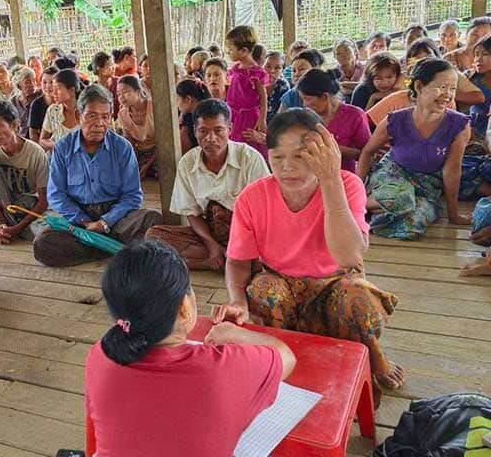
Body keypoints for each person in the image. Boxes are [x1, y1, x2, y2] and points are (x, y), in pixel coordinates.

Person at [219, 109, 405, 393]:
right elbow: (237, 261)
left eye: (301, 156)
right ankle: (287, 355)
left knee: (357, 298)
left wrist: (329, 179)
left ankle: (372, 354)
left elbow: (349, 256)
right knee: (261, 291)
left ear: (323, 154)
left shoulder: (347, 184)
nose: (287, 168)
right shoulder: (253, 196)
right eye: (278, 158)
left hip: (335, 280)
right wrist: (237, 301)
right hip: (282, 283)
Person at [85, 240, 295, 457]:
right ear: (184, 308)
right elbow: (286, 357)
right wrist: (235, 334)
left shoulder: (100, 355)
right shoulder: (222, 369)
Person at [33, 85, 162, 267]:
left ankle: (101, 246)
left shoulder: (122, 147)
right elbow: (56, 194)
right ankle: (116, 250)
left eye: (105, 117)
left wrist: (104, 222)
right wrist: (84, 222)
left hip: (116, 220)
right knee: (42, 243)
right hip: (79, 220)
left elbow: (132, 196)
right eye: (92, 115)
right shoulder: (62, 148)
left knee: (152, 221)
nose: (99, 123)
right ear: (78, 116)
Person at [146, 99, 268, 271]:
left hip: (248, 235)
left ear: (230, 130)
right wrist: (211, 244)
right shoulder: (187, 163)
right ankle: (219, 259)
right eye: (203, 131)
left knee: (270, 248)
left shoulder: (249, 158)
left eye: (218, 131)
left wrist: (243, 242)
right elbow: (192, 213)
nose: (211, 138)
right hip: (211, 236)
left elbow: (265, 213)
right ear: (195, 132)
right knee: (154, 236)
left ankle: (228, 259)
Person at [358, 58, 471, 240]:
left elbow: (451, 170)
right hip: (393, 174)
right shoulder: (395, 120)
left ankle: (377, 212)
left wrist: (453, 214)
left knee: (413, 226)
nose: (448, 95)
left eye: (452, 88)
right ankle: (357, 205)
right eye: (442, 87)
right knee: (401, 197)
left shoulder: (459, 125)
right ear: (418, 86)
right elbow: (367, 152)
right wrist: (358, 190)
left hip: (427, 186)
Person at [0, 100, 48, 244]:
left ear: (15, 125)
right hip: (0, 210)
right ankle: (1, 227)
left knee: (46, 236)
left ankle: (7, 230)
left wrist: (17, 229)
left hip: (28, 209)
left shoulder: (35, 152)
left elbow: (43, 201)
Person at [366, 39, 483, 127]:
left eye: (428, 58)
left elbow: (478, 98)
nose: (424, 63)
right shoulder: (400, 95)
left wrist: (442, 93)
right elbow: (364, 122)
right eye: (417, 59)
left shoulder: (451, 79)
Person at [297, 69, 371, 172]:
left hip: (345, 176)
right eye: (303, 99)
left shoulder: (355, 116)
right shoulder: (306, 117)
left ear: (324, 97)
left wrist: (332, 148)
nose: (304, 104)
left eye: (307, 99)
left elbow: (368, 154)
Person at [224, 26, 269, 157]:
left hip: (248, 116)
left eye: (231, 49)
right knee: (233, 145)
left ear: (244, 51)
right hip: (233, 114)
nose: (228, 52)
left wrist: (262, 119)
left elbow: (263, 97)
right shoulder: (236, 69)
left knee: (248, 145)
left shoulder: (256, 72)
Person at [116, 75, 157, 179]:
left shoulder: (154, 107)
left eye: (125, 92)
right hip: (141, 153)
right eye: (119, 94)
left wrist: (146, 167)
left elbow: (164, 143)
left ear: (138, 92)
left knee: (164, 170)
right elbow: (131, 144)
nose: (121, 97)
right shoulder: (123, 114)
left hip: (158, 152)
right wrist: (134, 165)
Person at [40, 68, 81, 152]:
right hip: (58, 160)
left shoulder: (86, 112)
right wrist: (57, 146)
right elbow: (42, 140)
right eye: (53, 88)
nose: (53, 93)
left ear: (71, 90)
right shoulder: (53, 111)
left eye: (58, 89)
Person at [176, 78, 211, 154]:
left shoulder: (195, 121)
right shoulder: (189, 116)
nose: (177, 104)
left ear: (188, 99)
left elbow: (182, 149)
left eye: (177, 99)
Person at [468, 34, 491, 139]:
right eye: (476, 54)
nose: (478, 59)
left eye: (485, 54)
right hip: (472, 133)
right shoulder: (470, 79)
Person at [11, 66, 42, 138]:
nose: (32, 84)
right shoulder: (13, 102)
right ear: (19, 85)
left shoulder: (40, 96)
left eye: (33, 81)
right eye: (27, 82)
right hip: (22, 138)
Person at [29, 66, 57, 143]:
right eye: (44, 82)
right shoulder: (36, 104)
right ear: (40, 83)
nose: (48, 86)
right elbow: (33, 132)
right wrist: (41, 149)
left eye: (51, 82)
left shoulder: (63, 102)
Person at [90, 51, 119, 117]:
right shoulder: (92, 90)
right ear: (99, 68)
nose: (113, 67)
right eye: (110, 65)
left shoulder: (120, 83)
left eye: (113, 64)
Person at [264, 51, 289, 123]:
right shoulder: (255, 83)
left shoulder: (283, 86)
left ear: (282, 70)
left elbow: (282, 115)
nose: (271, 71)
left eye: (277, 68)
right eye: (268, 66)